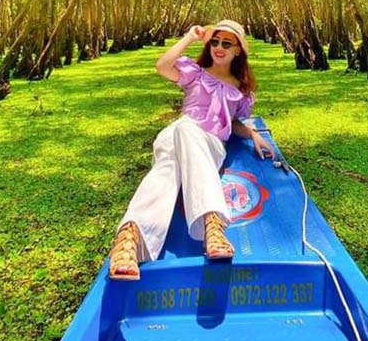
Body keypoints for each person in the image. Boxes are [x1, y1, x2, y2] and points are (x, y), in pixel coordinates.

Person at [108, 19, 276, 280]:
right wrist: (189, 37)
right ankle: (212, 224)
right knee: (182, 129)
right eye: (215, 42)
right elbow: (162, 66)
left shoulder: (240, 90)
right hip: (179, 133)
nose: (219, 47)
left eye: (226, 44)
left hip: (209, 142)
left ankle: (130, 239)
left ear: (237, 50)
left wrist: (253, 133)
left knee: (167, 167)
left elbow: (232, 121)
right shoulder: (195, 72)